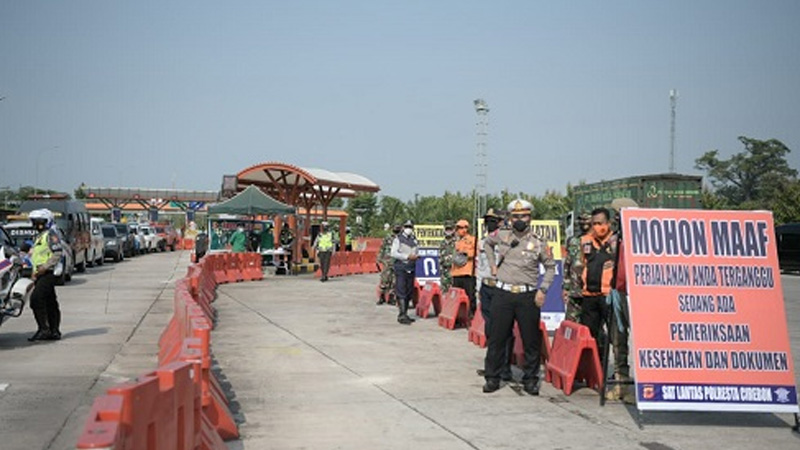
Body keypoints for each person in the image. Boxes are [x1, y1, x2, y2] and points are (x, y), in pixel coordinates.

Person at [482, 199, 556, 395]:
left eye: (523, 216)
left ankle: (530, 379)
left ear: (530, 217)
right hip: (503, 293)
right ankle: (492, 378)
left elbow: (550, 268)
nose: (519, 219)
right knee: (497, 339)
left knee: (531, 340)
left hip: (527, 295)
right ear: (509, 218)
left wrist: (543, 289)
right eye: (515, 216)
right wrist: (492, 264)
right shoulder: (502, 235)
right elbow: (487, 244)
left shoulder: (539, 242)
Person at [606, 198, 638, 402]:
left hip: (636, 295)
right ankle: (621, 383)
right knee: (618, 341)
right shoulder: (615, 239)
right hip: (617, 292)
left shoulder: (641, 238)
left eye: (618, 213)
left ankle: (641, 387)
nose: (616, 218)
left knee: (639, 342)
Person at [477, 208, 513, 382]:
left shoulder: (507, 240)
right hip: (486, 288)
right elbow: (480, 266)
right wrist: (479, 289)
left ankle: (505, 368)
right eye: (487, 220)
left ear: (500, 221)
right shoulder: (483, 241)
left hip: (501, 288)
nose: (488, 223)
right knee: (490, 329)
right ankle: (492, 365)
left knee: (503, 330)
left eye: (492, 220)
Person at [579, 207, 618, 344]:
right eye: (594, 223)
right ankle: (595, 364)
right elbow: (582, 263)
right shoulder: (585, 241)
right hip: (589, 295)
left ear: (608, 223)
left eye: (600, 223)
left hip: (608, 295)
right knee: (589, 337)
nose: (597, 227)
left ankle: (619, 364)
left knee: (615, 335)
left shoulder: (616, 242)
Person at [27, 209, 64, 341]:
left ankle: (44, 329)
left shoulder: (51, 235)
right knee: (50, 302)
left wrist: (45, 266)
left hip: (48, 273)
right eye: (34, 222)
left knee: (36, 300)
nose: (36, 225)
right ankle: (54, 331)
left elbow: (57, 253)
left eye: (39, 222)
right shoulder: (39, 236)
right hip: (39, 274)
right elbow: (34, 255)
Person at [562, 213, 591, 321]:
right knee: (571, 323)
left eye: (586, 219)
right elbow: (568, 264)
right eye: (581, 220)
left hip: (591, 290)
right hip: (575, 290)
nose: (584, 223)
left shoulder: (598, 241)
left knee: (590, 324)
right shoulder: (573, 240)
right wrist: (566, 287)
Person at [391, 220, 419, 325]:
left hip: (411, 267)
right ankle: (402, 314)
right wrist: (406, 256)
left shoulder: (414, 240)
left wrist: (416, 256)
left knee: (409, 291)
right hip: (401, 267)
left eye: (410, 227)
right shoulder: (398, 239)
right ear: (403, 227)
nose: (409, 229)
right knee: (401, 290)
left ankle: (406, 313)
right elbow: (393, 253)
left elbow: (416, 250)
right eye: (407, 226)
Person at [451, 219, 477, 315]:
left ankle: (471, 314)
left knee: (470, 295)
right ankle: (458, 315)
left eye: (463, 228)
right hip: (456, 272)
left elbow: (476, 252)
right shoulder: (455, 241)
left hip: (467, 273)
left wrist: (466, 253)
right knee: (456, 296)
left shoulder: (472, 240)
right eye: (459, 228)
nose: (461, 230)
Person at [377, 224, 401, 304]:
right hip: (387, 261)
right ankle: (382, 297)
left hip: (397, 261)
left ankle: (391, 298)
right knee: (385, 279)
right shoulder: (388, 237)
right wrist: (379, 258)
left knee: (394, 281)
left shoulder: (401, 239)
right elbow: (382, 248)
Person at [438, 221, 456, 293]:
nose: (448, 231)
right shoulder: (442, 243)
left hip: (453, 270)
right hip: (444, 271)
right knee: (444, 291)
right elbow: (440, 256)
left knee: (453, 291)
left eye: (450, 229)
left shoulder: (456, 242)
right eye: (447, 229)